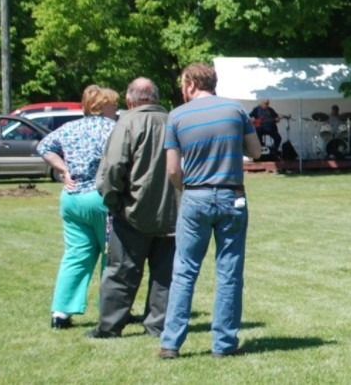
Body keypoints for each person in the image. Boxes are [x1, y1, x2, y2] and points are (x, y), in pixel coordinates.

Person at [159, 62, 260, 360]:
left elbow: (172, 169)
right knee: (229, 271)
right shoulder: (236, 110)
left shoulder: (176, 115)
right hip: (232, 196)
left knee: (184, 271)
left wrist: (187, 190)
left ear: (191, 84)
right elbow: (256, 151)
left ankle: (170, 344)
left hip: (194, 196)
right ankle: (224, 344)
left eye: (182, 84)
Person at [89, 77, 179, 339]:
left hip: (132, 211)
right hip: (173, 211)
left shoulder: (127, 122)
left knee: (121, 271)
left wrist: (113, 200)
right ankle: (158, 325)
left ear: (130, 100)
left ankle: (110, 326)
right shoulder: (174, 120)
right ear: (156, 98)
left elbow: (114, 167)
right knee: (165, 275)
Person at [38, 85, 119, 330]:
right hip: (100, 197)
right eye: (114, 104)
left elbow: (44, 147)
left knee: (75, 255)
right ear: (103, 105)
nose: (117, 109)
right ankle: (110, 310)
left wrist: (63, 169)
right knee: (111, 255)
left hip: (72, 198)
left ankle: (60, 312)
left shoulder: (69, 127)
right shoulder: (113, 128)